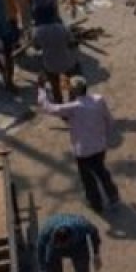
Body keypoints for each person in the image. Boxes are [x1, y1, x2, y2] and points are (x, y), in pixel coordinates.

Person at [37, 76, 119, 213]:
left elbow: (49, 108)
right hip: (99, 147)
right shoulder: (99, 100)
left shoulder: (73, 107)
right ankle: (113, 195)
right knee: (102, 171)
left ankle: (96, 204)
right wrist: (105, 137)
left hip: (83, 152)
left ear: (73, 92)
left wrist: (41, 90)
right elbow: (109, 121)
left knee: (88, 179)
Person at [33, 11, 78, 101]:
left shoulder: (38, 31)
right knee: (72, 82)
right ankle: (72, 102)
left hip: (50, 64)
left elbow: (37, 47)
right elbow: (72, 44)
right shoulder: (63, 28)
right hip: (66, 62)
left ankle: (59, 103)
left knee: (55, 86)